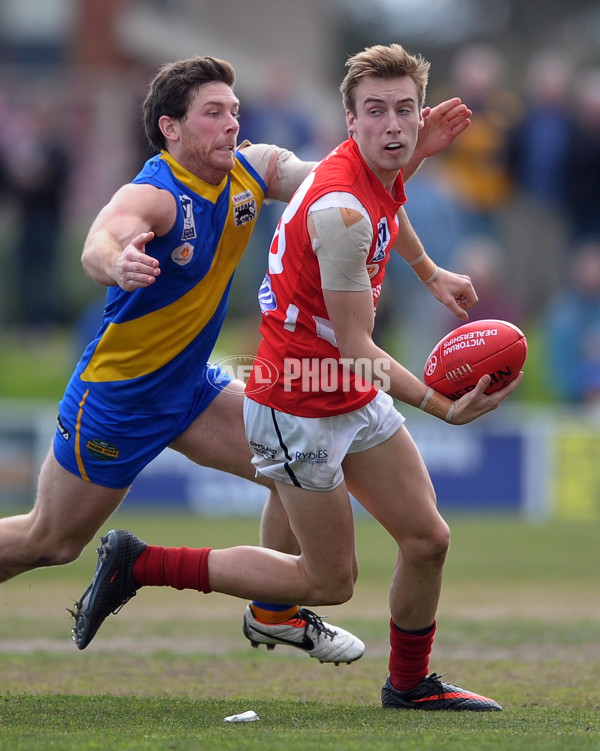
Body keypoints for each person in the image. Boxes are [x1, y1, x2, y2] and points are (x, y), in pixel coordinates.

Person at [70, 45, 522, 711]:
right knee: (329, 579)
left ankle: (409, 684)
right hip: (300, 403)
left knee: (428, 539)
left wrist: (430, 270)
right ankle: (142, 562)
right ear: (349, 120)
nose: (393, 126)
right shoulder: (340, 211)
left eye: (404, 111)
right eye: (376, 112)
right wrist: (437, 405)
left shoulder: (375, 173)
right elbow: (360, 345)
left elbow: (390, 202)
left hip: (345, 385)